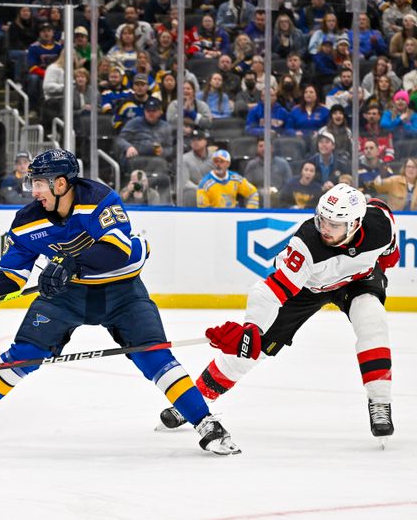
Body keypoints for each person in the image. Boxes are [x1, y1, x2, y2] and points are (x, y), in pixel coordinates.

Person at [0, 148, 241, 455]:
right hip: (65, 296)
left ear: (60, 184)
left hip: (122, 291)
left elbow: (117, 248)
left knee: (154, 356)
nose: (33, 190)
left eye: (39, 183)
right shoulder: (26, 222)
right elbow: (10, 275)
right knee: (26, 353)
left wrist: (70, 263)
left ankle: (206, 423)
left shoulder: (99, 199)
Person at [159, 185, 400, 445]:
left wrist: (377, 273)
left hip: (358, 281)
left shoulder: (381, 225)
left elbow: (389, 252)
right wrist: (251, 327)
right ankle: (195, 400)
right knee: (251, 350)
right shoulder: (306, 244)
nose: (325, 229)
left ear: (354, 224)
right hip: (308, 288)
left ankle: (380, 402)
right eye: (322, 220)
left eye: (334, 224)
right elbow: (270, 291)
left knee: (372, 320)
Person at [114, 97, 174, 165]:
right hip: (135, 157)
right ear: (144, 112)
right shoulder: (135, 122)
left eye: (154, 111)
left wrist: (162, 152)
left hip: (155, 159)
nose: (151, 113)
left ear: (160, 112)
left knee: (162, 164)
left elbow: (170, 148)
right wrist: (128, 147)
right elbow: (120, 139)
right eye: (148, 111)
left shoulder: (166, 126)